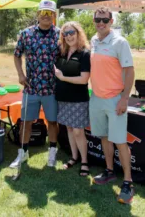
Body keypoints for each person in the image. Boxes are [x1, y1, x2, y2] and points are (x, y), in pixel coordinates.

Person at [89, 7, 135, 204]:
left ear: (111, 20)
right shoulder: (93, 40)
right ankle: (109, 171)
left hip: (115, 99)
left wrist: (125, 98)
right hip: (96, 98)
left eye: (104, 20)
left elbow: (130, 71)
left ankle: (128, 182)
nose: (100, 23)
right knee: (104, 137)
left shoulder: (120, 42)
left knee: (120, 141)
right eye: (97, 20)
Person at [10, 0, 60, 169]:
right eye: (43, 13)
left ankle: (52, 151)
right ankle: (23, 153)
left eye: (50, 13)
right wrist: (20, 74)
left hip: (52, 88)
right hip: (30, 87)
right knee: (26, 121)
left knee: (52, 121)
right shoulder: (26, 34)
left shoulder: (61, 35)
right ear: (38, 14)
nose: (46, 16)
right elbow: (17, 55)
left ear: (54, 16)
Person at [54, 21, 91, 177]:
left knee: (78, 131)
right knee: (69, 128)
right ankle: (74, 157)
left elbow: (84, 79)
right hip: (62, 98)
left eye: (71, 33)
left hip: (78, 99)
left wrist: (63, 78)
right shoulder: (61, 52)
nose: (69, 37)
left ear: (78, 34)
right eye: (65, 34)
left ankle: (84, 162)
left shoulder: (84, 53)